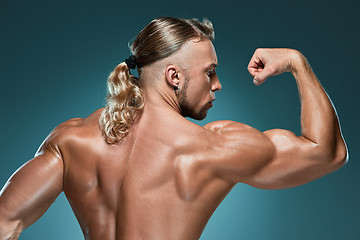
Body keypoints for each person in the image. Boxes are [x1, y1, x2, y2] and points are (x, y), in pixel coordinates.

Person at [0, 16, 348, 240]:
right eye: (210, 71)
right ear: (174, 76)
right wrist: (295, 62)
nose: (217, 84)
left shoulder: (71, 139)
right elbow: (327, 152)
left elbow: (5, 221)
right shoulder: (211, 147)